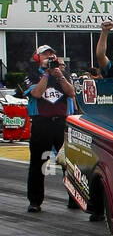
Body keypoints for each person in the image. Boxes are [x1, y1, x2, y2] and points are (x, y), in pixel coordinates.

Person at [22, 46, 77, 213]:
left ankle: (74, 198)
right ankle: (35, 201)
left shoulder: (63, 74)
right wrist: (46, 74)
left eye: (51, 54)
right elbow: (37, 94)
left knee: (69, 162)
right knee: (38, 163)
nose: (49, 56)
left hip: (62, 123)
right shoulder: (32, 76)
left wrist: (59, 76)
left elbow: (72, 92)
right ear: (37, 57)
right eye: (45, 54)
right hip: (41, 123)